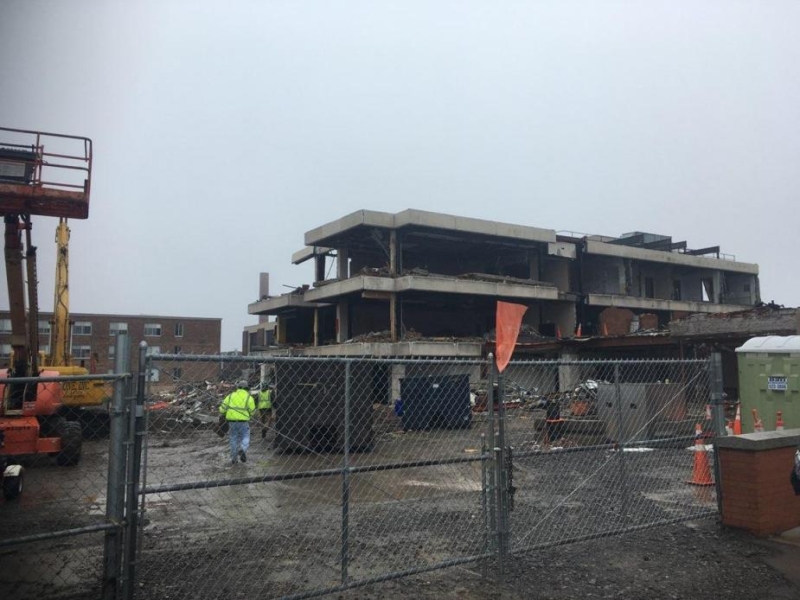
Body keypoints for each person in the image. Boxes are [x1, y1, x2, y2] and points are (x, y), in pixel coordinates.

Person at [219, 380, 256, 465]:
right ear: (247, 388)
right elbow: (253, 411)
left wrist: (225, 413)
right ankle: (243, 449)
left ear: (238, 387)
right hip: (243, 421)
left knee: (233, 438)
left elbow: (222, 409)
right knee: (245, 436)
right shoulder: (248, 397)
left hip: (231, 421)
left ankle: (234, 459)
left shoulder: (230, 396)